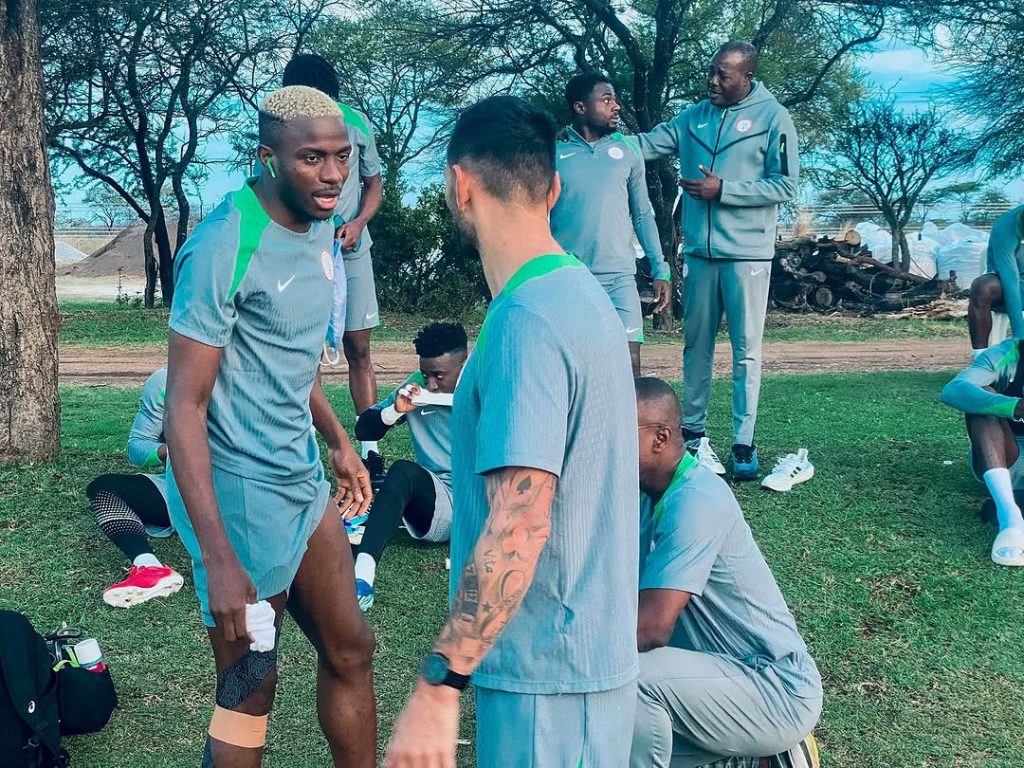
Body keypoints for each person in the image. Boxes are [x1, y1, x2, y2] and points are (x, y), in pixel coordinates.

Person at [385, 95, 640, 768]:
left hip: (548, 679)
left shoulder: (525, 321)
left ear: (458, 185)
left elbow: (520, 523)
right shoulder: (583, 293)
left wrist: (440, 683)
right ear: (553, 190)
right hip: (582, 668)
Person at [164, 86, 376, 767]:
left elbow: (290, 355)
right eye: (313, 158)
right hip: (239, 490)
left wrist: (338, 442)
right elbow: (184, 406)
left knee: (352, 649)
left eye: (341, 157)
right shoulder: (224, 244)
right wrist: (219, 557)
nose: (333, 175)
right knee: (250, 685)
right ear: (268, 157)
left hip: (301, 477)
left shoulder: (320, 228)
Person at [631, 377, 822, 768]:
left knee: (627, 679)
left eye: (617, 432)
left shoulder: (695, 501)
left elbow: (649, 629)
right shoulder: (647, 496)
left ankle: (770, 751)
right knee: (601, 739)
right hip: (714, 680)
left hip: (773, 690)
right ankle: (757, 761)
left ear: (660, 438)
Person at [637, 41, 799, 481]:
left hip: (748, 255)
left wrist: (724, 190)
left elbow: (785, 186)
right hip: (700, 255)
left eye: (723, 75)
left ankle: (744, 443)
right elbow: (648, 145)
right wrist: (602, 144)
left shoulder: (774, 118)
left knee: (746, 352)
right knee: (696, 346)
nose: (712, 81)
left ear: (746, 77)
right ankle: (693, 434)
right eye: (711, 71)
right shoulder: (694, 117)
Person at [282, 53, 387, 487]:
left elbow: (374, 185)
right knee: (306, 353)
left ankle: (371, 450)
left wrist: (358, 224)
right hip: (303, 254)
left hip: (352, 251)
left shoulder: (356, 123)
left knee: (358, 349)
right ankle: (308, 449)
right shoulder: (283, 128)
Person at [550, 72, 671, 376]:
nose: (616, 106)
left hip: (619, 278)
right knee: (575, 367)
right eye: (606, 100)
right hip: (570, 278)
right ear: (580, 107)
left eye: (615, 99)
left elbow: (642, 214)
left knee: (630, 365)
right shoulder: (552, 154)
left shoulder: (628, 151)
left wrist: (661, 269)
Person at [350, 321, 468, 612]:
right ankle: (362, 577)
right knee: (403, 472)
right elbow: (364, 429)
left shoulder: (487, 386)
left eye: (439, 375)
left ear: (463, 364)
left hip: (481, 507)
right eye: (426, 374)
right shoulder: (415, 388)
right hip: (439, 502)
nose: (431, 384)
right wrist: (394, 412)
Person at [86, 367, 184, 608]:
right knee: (105, 488)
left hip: (248, 492)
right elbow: (137, 448)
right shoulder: (165, 380)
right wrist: (176, 450)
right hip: (183, 489)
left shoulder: (261, 375)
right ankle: (149, 567)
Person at [940, 338, 1024, 566]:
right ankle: (1010, 519)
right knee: (981, 394)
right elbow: (953, 390)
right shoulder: (1008, 353)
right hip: (1006, 457)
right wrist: (1015, 406)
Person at [967, 205, 1024, 355]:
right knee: (982, 287)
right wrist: (1020, 336)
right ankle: (980, 357)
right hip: (1014, 283)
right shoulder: (1007, 225)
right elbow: (1010, 280)